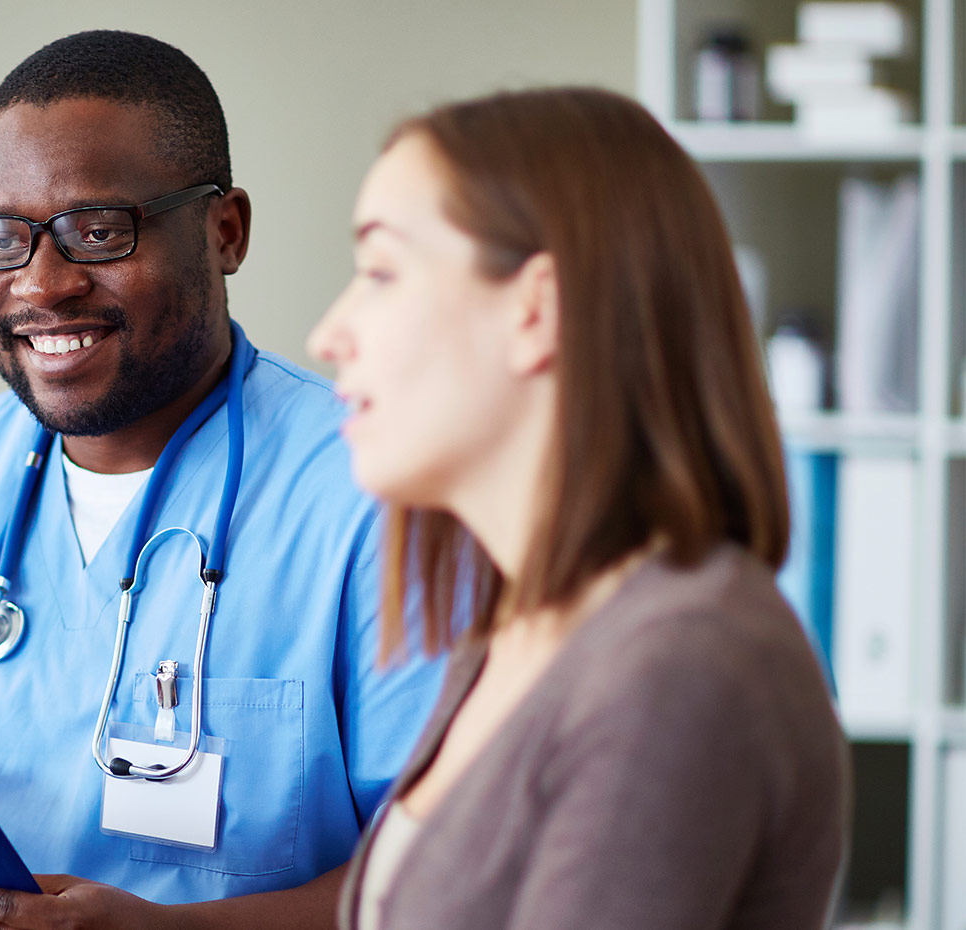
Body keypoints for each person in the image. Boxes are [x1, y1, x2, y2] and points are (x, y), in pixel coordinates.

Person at [0, 30, 441, 930]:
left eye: (98, 232)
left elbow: (454, 877)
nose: (43, 284)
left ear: (225, 231)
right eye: (1, 239)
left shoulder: (382, 495)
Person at [306, 87, 848, 930]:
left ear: (537, 309)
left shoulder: (677, 662)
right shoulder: (511, 632)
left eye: (380, 273)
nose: (328, 335)